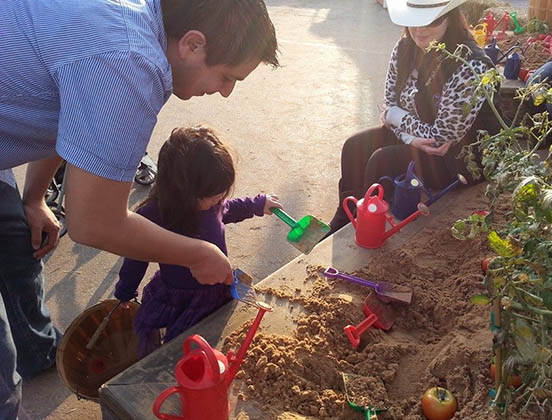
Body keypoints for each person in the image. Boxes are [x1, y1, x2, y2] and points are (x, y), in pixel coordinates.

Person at [0, 0, 278, 417]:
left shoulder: (136, 20)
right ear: (192, 44)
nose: (225, 92)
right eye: (226, 77)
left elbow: (69, 121)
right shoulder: (130, 61)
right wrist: (199, 253)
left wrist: (34, 196)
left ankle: (37, 351)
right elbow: (93, 223)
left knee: (16, 247)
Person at [327, 0, 500, 234]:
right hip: (419, 137)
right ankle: (344, 218)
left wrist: (396, 118)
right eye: (413, 20)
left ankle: (365, 227)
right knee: (353, 147)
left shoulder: (469, 65)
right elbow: (389, 106)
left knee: (381, 160)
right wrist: (409, 138)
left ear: (450, 17)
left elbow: (442, 138)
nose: (419, 30)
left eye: (431, 20)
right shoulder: (404, 48)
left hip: (460, 155)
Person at [113, 126, 282, 356]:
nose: (219, 199)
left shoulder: (213, 204)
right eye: (212, 196)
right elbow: (137, 255)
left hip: (218, 290)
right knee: (179, 348)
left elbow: (228, 209)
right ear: (179, 191)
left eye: (222, 193)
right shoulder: (155, 215)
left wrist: (257, 204)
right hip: (179, 294)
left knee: (217, 336)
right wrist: (125, 290)